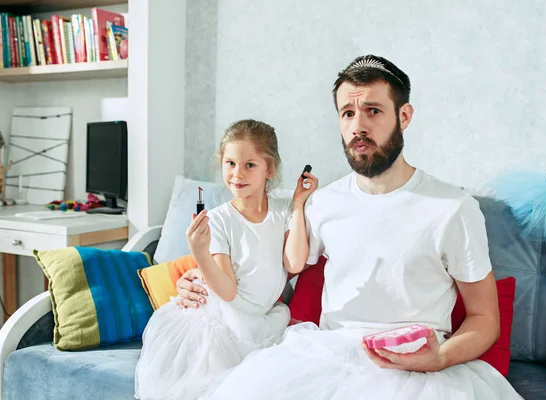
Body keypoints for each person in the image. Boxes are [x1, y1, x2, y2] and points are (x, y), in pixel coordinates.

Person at [176, 55, 523, 399]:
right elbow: (270, 275)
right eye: (348, 113)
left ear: (404, 116)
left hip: (420, 372)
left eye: (373, 111)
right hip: (327, 359)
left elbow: (484, 318)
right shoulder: (321, 203)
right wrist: (200, 281)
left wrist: (440, 358)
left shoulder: (454, 209)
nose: (358, 125)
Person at [134, 119, 318, 400]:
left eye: (250, 165)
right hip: (222, 316)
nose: (237, 174)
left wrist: (297, 205)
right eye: (230, 163)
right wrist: (199, 252)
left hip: (263, 318)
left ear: (269, 169)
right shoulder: (218, 219)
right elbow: (228, 291)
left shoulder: (284, 211)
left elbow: (293, 263)